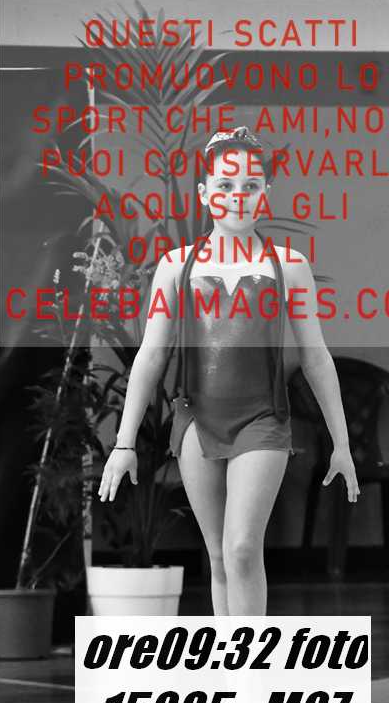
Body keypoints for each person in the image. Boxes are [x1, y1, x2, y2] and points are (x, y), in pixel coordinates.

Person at [98, 126, 360, 616]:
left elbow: (316, 357)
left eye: (250, 185)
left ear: (264, 194)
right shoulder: (177, 266)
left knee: (241, 548)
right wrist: (124, 443)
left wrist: (341, 444)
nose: (237, 196)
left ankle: (250, 659)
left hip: (262, 418)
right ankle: (231, 660)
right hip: (196, 420)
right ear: (205, 193)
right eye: (225, 185)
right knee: (218, 555)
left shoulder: (289, 266)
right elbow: (152, 355)